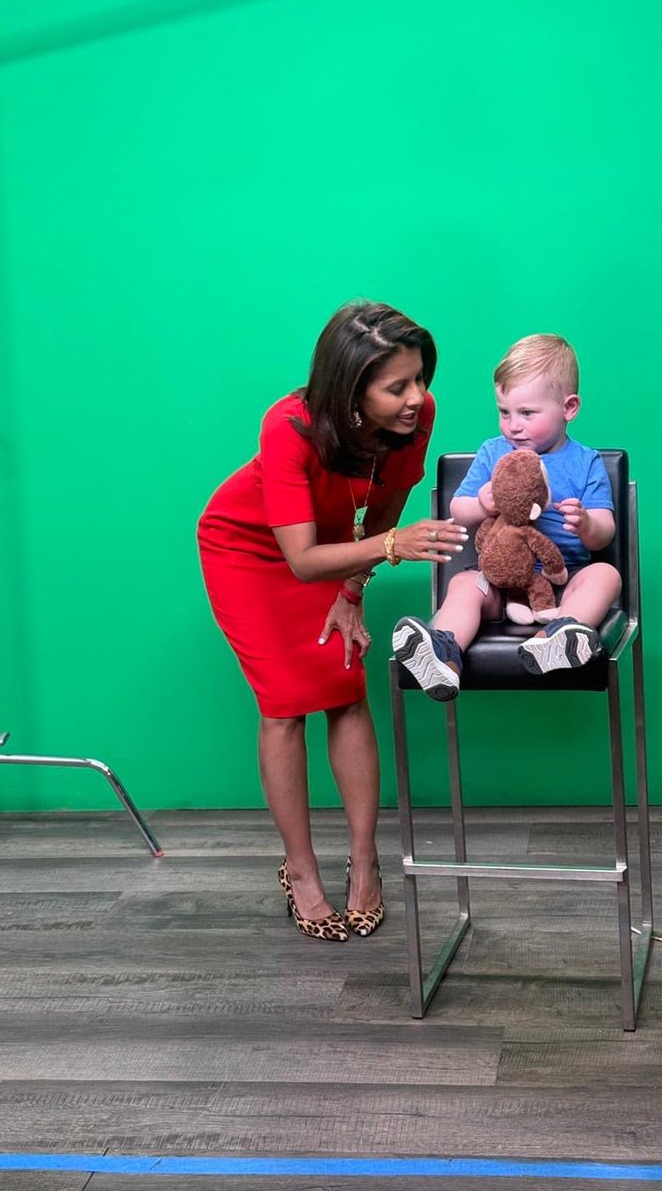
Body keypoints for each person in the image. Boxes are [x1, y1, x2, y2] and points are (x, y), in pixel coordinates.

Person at [197, 302, 468, 942]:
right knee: (284, 707)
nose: (417, 398)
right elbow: (301, 559)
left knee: (346, 689)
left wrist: (354, 589)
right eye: (397, 386)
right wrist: (390, 549)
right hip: (251, 550)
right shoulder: (289, 425)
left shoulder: (415, 419)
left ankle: (365, 860)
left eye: (422, 378)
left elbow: (384, 510)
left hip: (335, 555)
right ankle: (301, 869)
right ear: (351, 389)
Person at [393, 333, 620, 700]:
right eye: (504, 412)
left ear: (570, 407)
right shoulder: (493, 452)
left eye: (527, 413)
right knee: (465, 585)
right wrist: (483, 503)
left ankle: (560, 636)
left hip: (564, 581)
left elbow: (604, 534)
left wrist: (586, 523)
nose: (513, 425)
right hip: (499, 581)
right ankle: (442, 653)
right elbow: (459, 511)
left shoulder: (585, 462)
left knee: (606, 575)